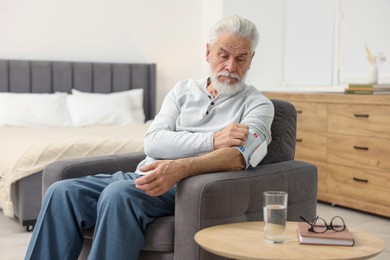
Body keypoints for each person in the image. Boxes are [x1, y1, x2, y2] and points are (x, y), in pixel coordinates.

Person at [25, 15, 274, 260]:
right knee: (62, 193)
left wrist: (180, 168)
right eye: (223, 55)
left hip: (187, 187)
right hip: (140, 175)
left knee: (119, 194)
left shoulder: (258, 105)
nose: (231, 67)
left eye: (240, 58)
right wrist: (214, 139)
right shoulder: (182, 91)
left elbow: (237, 157)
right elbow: (153, 141)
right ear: (208, 52)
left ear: (251, 59)